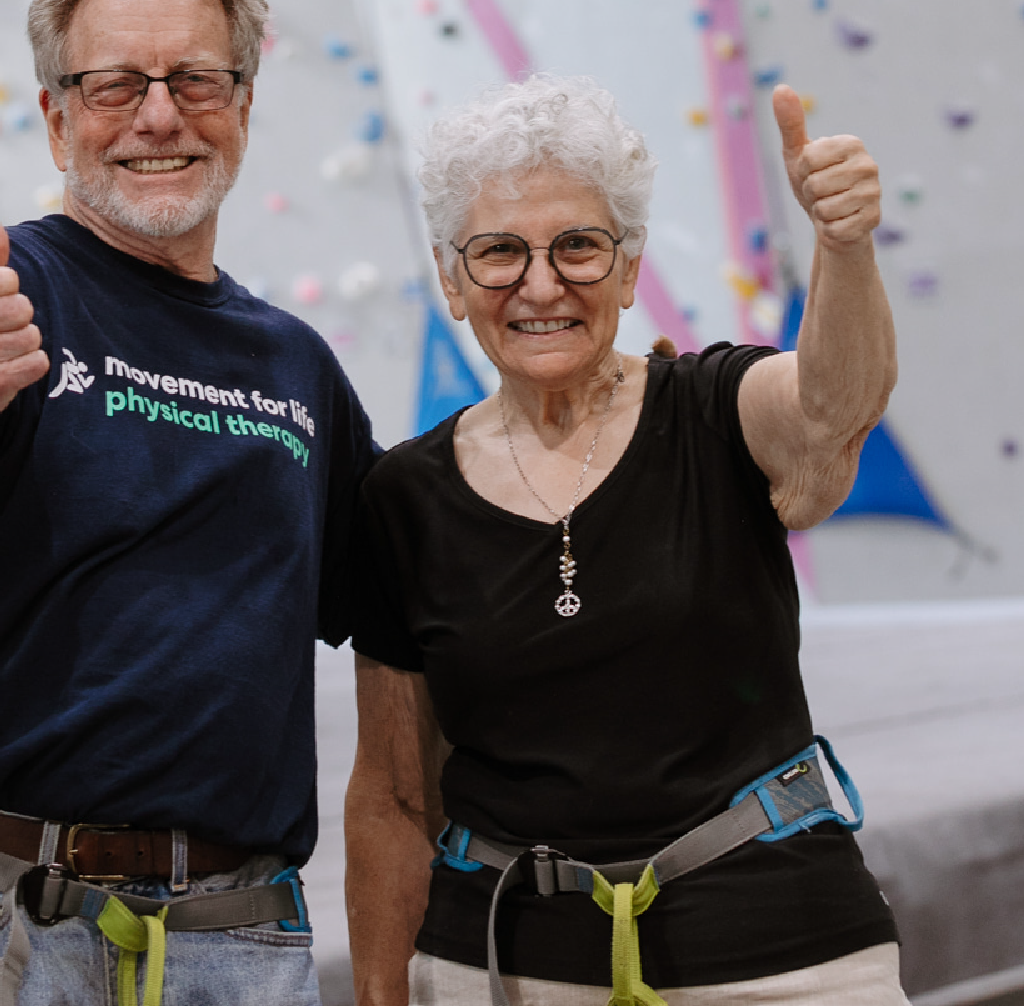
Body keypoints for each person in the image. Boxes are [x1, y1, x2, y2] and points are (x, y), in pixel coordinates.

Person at [0, 0, 377, 1006]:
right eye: (116, 83)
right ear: (56, 115)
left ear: (246, 104)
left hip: (235, 934)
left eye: (195, 80)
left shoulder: (294, 366)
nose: (160, 115)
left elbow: (413, 612)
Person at [347, 75, 905, 1006]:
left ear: (628, 267)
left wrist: (842, 249)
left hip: (782, 951)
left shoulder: (714, 407)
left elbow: (829, 411)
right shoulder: (403, 495)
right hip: (506, 968)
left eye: (578, 245)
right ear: (450, 278)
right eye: (496, 252)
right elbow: (397, 796)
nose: (540, 283)